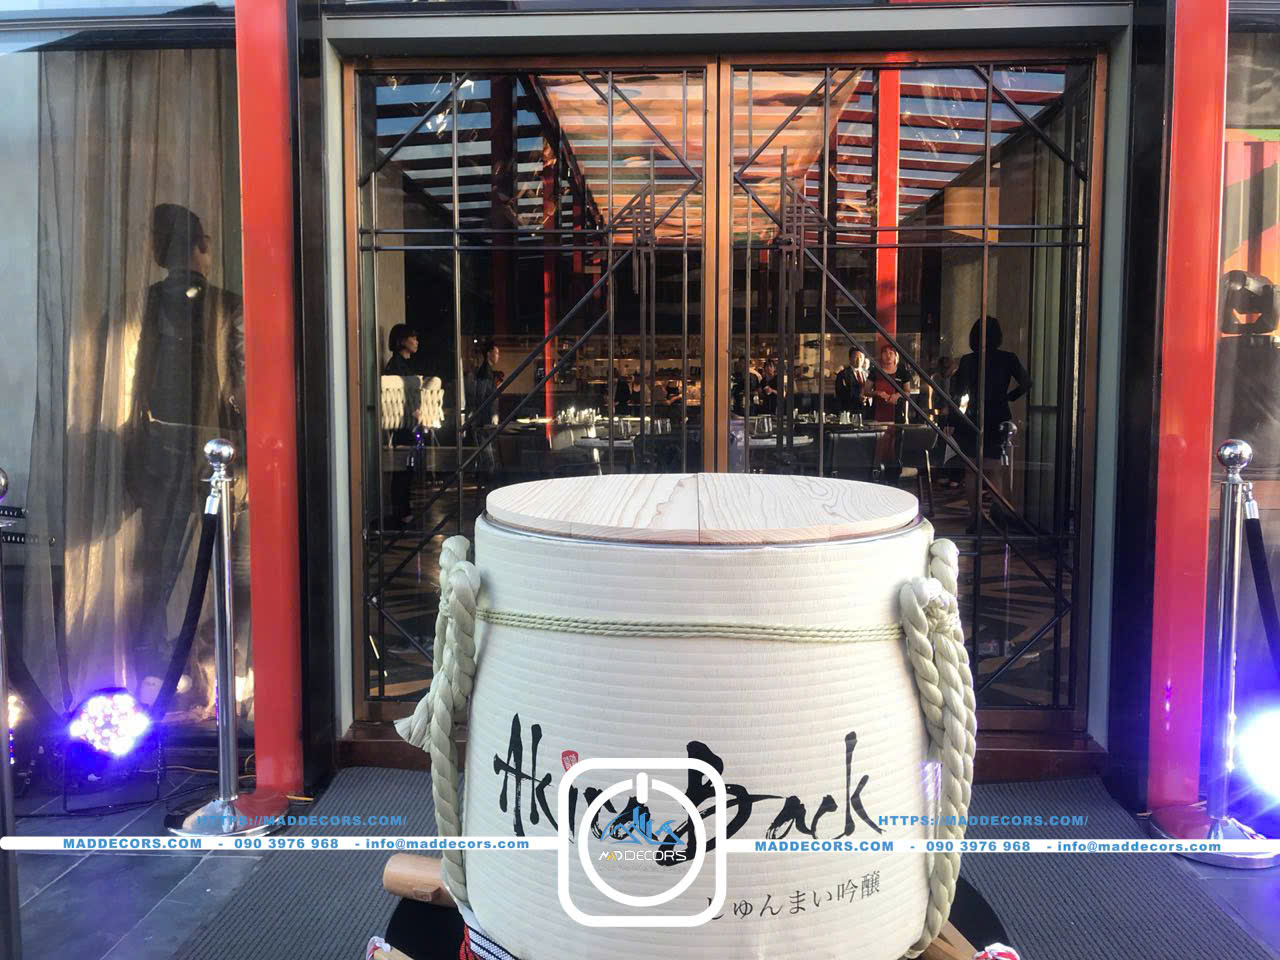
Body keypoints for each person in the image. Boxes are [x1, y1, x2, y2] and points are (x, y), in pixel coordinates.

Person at [127, 204, 245, 707]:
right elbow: (242, 383)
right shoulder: (227, 305)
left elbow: (140, 377)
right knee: (226, 564)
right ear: (202, 245)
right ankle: (212, 664)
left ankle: (160, 668)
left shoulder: (152, 301)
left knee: (159, 568)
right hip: (219, 451)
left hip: (164, 446)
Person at [952, 317, 1032, 521]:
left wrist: (954, 417)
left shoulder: (968, 360)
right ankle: (998, 510)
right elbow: (1026, 382)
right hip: (998, 413)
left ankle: (974, 515)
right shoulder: (1008, 358)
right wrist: (1009, 397)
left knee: (971, 469)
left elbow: (959, 391)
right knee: (994, 468)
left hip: (973, 415)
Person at [382, 324, 420, 526]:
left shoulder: (403, 364)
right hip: (401, 424)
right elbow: (398, 397)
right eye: (413, 337)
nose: (416, 341)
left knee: (406, 469)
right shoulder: (396, 366)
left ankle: (404, 510)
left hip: (408, 423)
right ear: (402, 340)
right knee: (402, 470)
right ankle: (401, 512)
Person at [869, 344, 911, 423]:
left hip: (897, 412)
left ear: (895, 356)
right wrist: (878, 393)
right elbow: (866, 391)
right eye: (885, 353)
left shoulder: (903, 372)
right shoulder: (875, 372)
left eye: (891, 353)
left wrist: (897, 395)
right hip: (877, 411)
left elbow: (907, 392)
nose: (888, 356)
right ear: (881, 355)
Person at [834, 346, 871, 416]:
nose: (859, 360)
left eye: (861, 357)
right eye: (856, 357)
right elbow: (840, 393)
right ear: (850, 358)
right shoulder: (843, 374)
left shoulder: (868, 373)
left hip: (867, 410)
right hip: (851, 410)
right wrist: (858, 397)